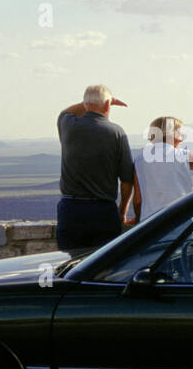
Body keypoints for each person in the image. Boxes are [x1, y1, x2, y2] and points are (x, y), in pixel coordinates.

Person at [54, 85, 135, 251]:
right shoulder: (117, 132)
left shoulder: (68, 124)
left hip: (71, 209)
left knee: (69, 266)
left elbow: (65, 112)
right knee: (105, 268)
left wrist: (90, 101)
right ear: (107, 106)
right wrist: (122, 211)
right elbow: (127, 180)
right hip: (103, 211)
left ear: (84, 104)